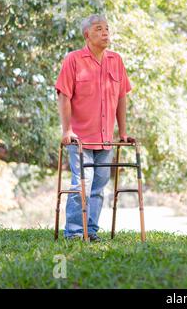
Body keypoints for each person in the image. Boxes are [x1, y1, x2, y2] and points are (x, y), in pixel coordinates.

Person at [55, 14, 133, 241]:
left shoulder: (116, 61)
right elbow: (64, 96)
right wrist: (67, 130)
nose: (105, 32)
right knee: (83, 183)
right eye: (99, 29)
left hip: (105, 138)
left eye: (107, 28)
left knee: (99, 186)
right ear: (87, 34)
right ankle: (75, 233)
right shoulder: (73, 60)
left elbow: (121, 98)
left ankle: (91, 231)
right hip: (80, 138)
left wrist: (123, 132)